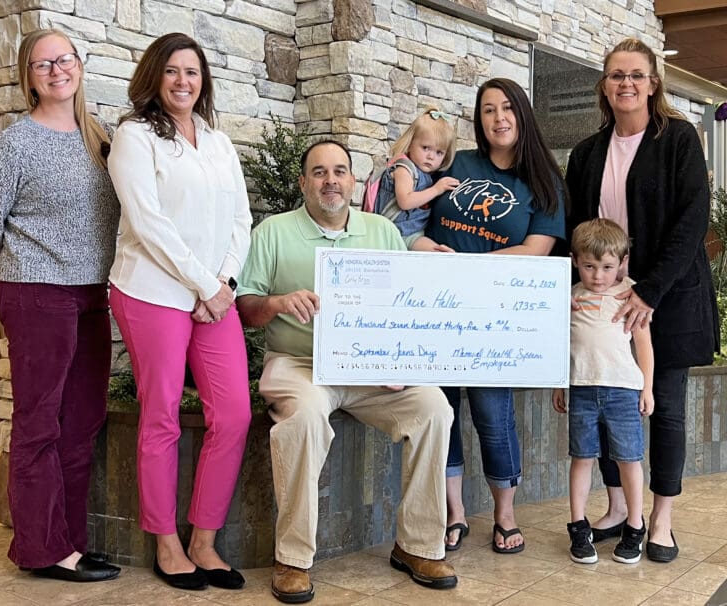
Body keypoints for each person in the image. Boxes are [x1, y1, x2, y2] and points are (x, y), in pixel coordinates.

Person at [236, 140, 457, 604]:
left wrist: (401, 358)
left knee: (434, 408)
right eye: (319, 172)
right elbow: (246, 307)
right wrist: (278, 303)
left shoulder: (382, 231)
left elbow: (404, 307)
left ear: (354, 182)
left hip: (370, 368)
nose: (330, 180)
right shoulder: (273, 231)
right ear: (303, 183)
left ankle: (417, 546)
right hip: (299, 364)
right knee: (305, 418)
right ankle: (292, 559)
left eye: (340, 171)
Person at [0, 29, 121, 581]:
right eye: (42, 64)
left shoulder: (100, 138)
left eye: (64, 59)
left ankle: (70, 542)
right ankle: (42, 548)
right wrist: (24, 273)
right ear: (28, 78)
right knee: (39, 424)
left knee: (82, 421)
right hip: (36, 294)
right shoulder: (14, 143)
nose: (57, 70)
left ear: (79, 64)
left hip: (92, 294)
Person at [107, 33, 252, 590]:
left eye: (192, 72)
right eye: (171, 71)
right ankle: (166, 542)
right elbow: (148, 223)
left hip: (214, 297)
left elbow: (240, 218)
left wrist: (226, 282)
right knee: (161, 414)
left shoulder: (218, 142)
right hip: (152, 293)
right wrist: (204, 284)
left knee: (234, 414)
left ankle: (203, 541)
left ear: (203, 81)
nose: (183, 81)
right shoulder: (134, 136)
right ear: (155, 77)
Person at [565, 37, 718, 563]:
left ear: (653, 83)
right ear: (604, 86)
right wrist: (567, 292)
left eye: (635, 75)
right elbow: (573, 230)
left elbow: (692, 220)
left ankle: (661, 520)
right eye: (616, 75)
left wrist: (648, 292)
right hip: (603, 303)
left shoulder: (678, 138)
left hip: (666, 298)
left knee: (665, 409)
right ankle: (616, 508)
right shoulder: (587, 153)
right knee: (610, 407)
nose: (625, 83)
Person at [425, 77, 566, 553]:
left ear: (522, 114)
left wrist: (471, 266)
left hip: (495, 316)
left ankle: (505, 514)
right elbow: (414, 214)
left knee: (493, 413)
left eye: (506, 108)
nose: (498, 118)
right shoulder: (456, 163)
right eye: (488, 110)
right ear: (478, 119)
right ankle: (454, 512)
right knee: (440, 411)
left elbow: (537, 250)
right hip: (435, 308)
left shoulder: (543, 181)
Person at [553, 218, 654, 565]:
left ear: (622, 263)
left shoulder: (630, 294)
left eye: (607, 267)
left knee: (629, 459)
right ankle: (578, 527)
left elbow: (644, 345)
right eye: (589, 266)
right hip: (581, 389)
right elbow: (560, 343)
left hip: (623, 391)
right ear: (574, 261)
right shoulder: (569, 297)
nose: (598, 275)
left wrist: (647, 388)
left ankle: (635, 525)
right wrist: (559, 383)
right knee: (581, 457)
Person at [372, 107, 459, 251]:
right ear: (410, 144)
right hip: (392, 232)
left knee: (436, 252)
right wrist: (436, 189)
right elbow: (405, 202)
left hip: (413, 233)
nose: (431, 156)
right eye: (425, 148)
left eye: (439, 152)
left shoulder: (427, 174)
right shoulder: (404, 169)